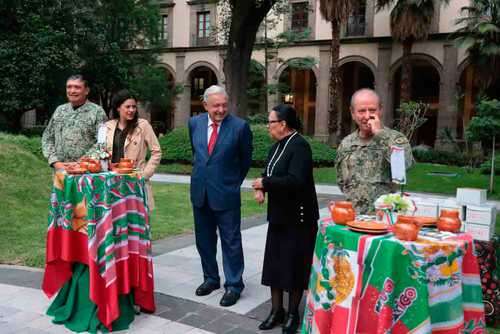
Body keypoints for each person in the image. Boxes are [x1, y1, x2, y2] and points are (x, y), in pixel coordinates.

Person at [252, 104, 319, 334]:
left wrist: (266, 184)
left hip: (299, 219)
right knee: (275, 266)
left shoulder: (300, 146)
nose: (268, 126)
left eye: (271, 121)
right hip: (279, 217)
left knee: (294, 268)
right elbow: (268, 174)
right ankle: (276, 310)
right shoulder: (275, 147)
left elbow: (295, 181)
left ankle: (293, 313)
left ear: (283, 124)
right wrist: (262, 186)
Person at [188, 85, 253, 307]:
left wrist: (232, 183)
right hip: (200, 193)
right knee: (204, 241)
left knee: (231, 242)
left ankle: (234, 285)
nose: (221, 109)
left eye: (224, 105)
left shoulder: (240, 127)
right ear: (205, 105)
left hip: (226, 194)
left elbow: (245, 160)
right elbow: (197, 154)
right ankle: (211, 279)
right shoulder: (194, 123)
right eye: (216, 105)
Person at [336, 88, 414, 214]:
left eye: (372, 110)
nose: (367, 116)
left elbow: (405, 165)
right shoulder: (346, 144)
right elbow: (341, 180)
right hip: (353, 217)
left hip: (385, 218)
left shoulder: (396, 139)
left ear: (380, 110)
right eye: (361, 111)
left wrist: (379, 135)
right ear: (352, 113)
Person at [105, 89, 162, 209]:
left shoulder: (143, 125)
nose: (131, 110)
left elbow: (156, 151)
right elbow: (101, 152)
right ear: (118, 108)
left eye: (134, 107)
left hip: (136, 182)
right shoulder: (107, 126)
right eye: (127, 107)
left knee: (137, 223)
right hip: (112, 182)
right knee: (115, 222)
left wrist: (145, 174)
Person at [42, 74, 107, 168]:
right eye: (69, 87)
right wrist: (54, 161)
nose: (72, 91)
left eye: (77, 87)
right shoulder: (60, 110)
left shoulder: (97, 112)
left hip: (86, 171)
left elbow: (102, 142)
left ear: (86, 91)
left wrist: (82, 162)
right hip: (60, 170)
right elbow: (47, 137)